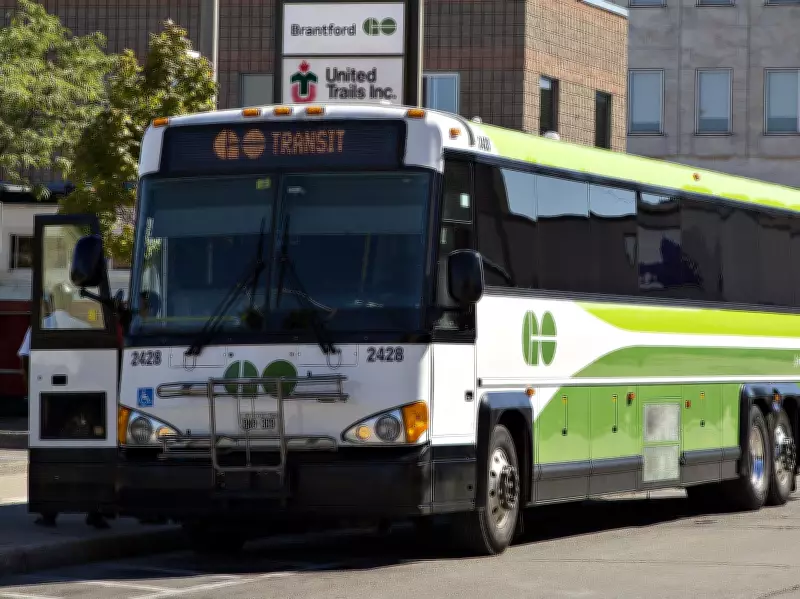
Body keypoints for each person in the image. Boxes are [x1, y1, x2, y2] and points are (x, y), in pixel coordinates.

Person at [18, 282, 110, 530]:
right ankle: (95, 511)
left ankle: (49, 511)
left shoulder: (38, 328)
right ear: (69, 302)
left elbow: (24, 359)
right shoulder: (83, 327)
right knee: (87, 453)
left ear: (51, 301)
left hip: (49, 400)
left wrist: (30, 390)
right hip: (80, 400)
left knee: (49, 453)